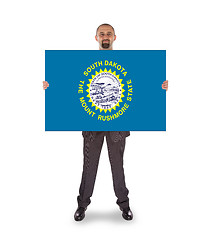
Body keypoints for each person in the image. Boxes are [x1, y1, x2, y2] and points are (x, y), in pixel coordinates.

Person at [43, 23, 168, 222]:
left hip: (117, 125)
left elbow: (141, 86)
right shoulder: (84, 63)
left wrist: (158, 86)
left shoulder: (126, 63)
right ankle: (82, 205)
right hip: (92, 125)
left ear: (115, 37)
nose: (105, 36)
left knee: (117, 166)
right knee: (89, 166)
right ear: (96, 38)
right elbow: (68, 86)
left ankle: (124, 204)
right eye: (102, 34)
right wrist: (52, 86)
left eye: (108, 33)